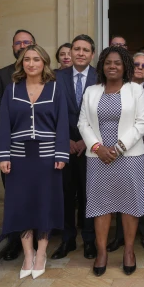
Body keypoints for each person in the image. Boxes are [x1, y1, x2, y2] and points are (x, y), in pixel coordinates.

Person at [0, 44, 69, 280]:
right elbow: (4, 124)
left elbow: (63, 124)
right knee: (22, 204)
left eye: (36, 59)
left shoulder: (56, 88)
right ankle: (28, 254)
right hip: (18, 157)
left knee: (44, 203)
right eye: (27, 59)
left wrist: (61, 154)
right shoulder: (11, 89)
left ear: (44, 63)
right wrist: (3, 155)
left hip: (47, 157)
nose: (31, 63)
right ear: (21, 63)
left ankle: (41, 254)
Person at [77, 46, 144, 276]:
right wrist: (98, 148)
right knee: (101, 205)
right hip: (98, 158)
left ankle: (129, 250)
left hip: (129, 157)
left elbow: (142, 123)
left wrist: (117, 148)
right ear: (102, 66)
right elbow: (83, 123)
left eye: (117, 62)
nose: (113, 66)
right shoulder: (91, 91)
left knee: (130, 205)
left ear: (125, 65)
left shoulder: (135, 90)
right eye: (108, 62)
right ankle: (102, 252)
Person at [0, 28, 36, 261]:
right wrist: (17, 134)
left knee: (37, 194)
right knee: (15, 196)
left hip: (38, 147)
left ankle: (37, 238)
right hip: (11, 146)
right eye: (18, 43)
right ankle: (15, 241)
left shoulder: (46, 76)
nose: (23, 45)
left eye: (27, 42)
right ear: (13, 47)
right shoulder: (2, 74)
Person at [52, 35, 98, 260]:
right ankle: (68, 239)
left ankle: (89, 240)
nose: (80, 53)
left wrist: (85, 140)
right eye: (76, 49)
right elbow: (49, 112)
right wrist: (65, 140)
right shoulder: (55, 76)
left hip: (91, 148)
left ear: (92, 54)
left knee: (90, 195)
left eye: (85, 50)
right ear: (70, 53)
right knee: (65, 195)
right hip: (63, 145)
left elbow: (105, 115)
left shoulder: (100, 77)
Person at [107, 53, 144, 253]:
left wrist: (137, 139)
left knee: (143, 194)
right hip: (118, 151)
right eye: (136, 64)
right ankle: (119, 236)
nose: (140, 68)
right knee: (120, 193)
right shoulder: (118, 88)